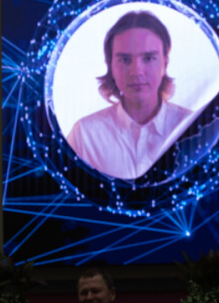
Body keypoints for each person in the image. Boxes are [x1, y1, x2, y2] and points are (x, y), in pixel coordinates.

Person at [65, 9, 195, 181]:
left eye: (148, 58)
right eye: (125, 60)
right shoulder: (85, 135)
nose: (136, 71)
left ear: (165, 63)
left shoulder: (193, 128)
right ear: (110, 65)